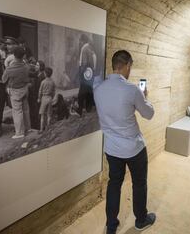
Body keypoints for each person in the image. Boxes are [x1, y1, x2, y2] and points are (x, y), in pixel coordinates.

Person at [93, 50, 156, 234]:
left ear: (114, 65)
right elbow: (149, 114)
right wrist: (145, 97)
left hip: (112, 148)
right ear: (127, 65)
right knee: (139, 183)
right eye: (131, 67)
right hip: (134, 148)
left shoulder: (99, 89)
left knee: (114, 184)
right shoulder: (132, 89)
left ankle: (111, 226)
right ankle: (141, 220)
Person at [2, 46, 31, 139]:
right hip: (25, 89)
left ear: (14, 55)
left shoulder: (10, 69)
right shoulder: (26, 66)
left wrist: (7, 65)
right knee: (26, 109)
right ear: (23, 56)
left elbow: (3, 80)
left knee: (17, 111)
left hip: (15, 91)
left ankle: (19, 133)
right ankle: (28, 128)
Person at [77, 34, 97, 116]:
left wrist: (81, 72)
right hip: (91, 72)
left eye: (80, 41)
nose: (79, 42)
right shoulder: (91, 48)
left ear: (82, 41)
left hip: (86, 72)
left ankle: (80, 110)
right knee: (89, 90)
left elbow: (84, 63)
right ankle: (88, 109)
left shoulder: (84, 48)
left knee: (81, 92)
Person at [38, 67, 56, 133]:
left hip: (44, 98)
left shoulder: (43, 82)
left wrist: (39, 98)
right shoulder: (52, 82)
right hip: (50, 98)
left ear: (45, 74)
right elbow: (54, 91)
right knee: (49, 115)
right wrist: (52, 97)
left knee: (42, 115)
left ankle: (41, 129)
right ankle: (48, 129)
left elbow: (40, 91)